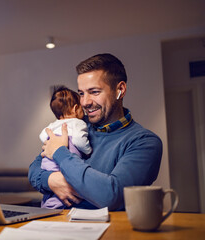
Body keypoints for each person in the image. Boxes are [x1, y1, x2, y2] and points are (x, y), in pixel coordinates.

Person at [28, 53, 163, 211]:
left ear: (120, 89)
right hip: (55, 224)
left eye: (94, 92)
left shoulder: (144, 142)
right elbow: (34, 169)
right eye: (81, 93)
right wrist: (51, 179)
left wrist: (60, 152)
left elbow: (111, 196)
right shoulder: (74, 126)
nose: (85, 102)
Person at [40, 85, 92, 209]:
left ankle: (46, 205)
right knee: (68, 190)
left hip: (47, 163)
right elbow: (79, 140)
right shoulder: (78, 123)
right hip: (62, 164)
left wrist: (51, 142)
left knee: (53, 191)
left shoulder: (53, 124)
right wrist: (88, 150)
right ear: (75, 108)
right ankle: (52, 207)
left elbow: (42, 136)